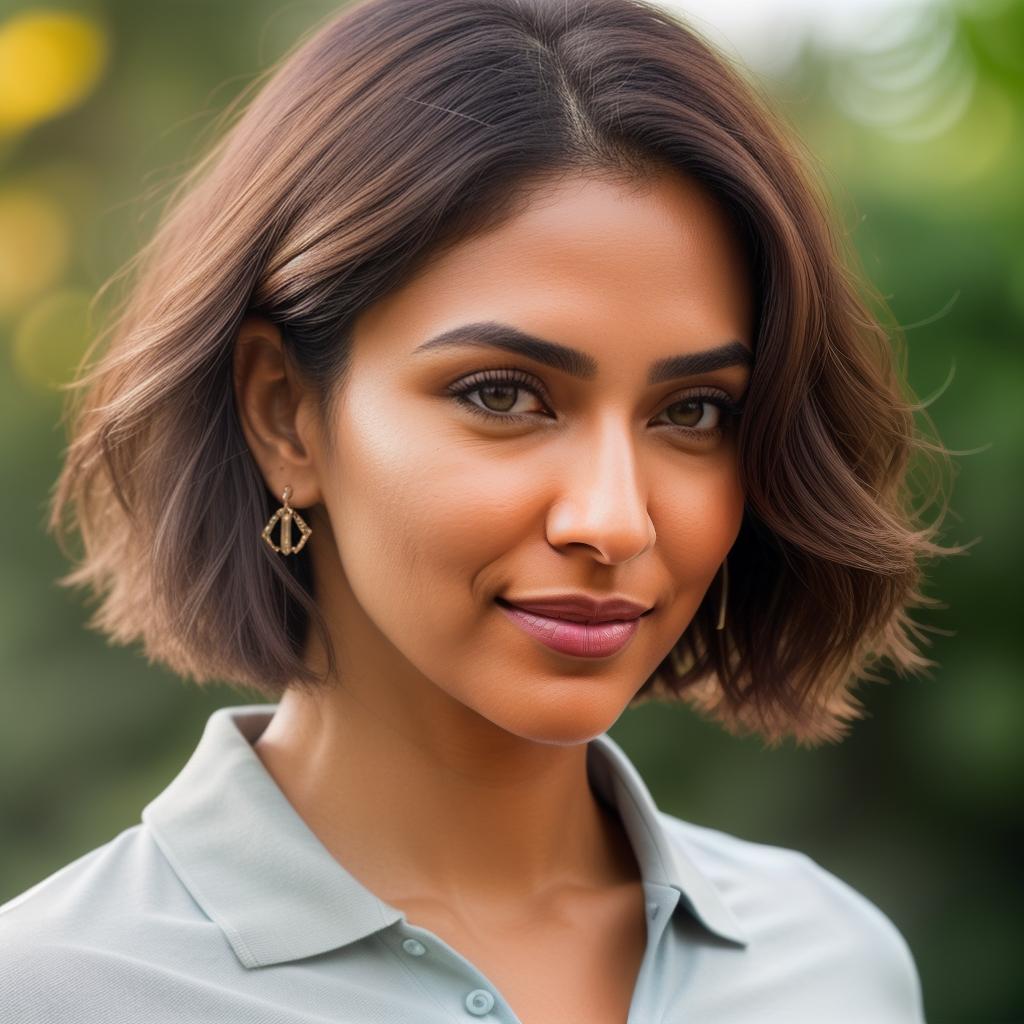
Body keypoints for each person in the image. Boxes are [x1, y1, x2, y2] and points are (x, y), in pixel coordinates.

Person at [1, 0, 961, 1020]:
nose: (615, 519)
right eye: (501, 394)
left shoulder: (833, 966)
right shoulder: (62, 988)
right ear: (285, 413)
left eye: (692, 410)